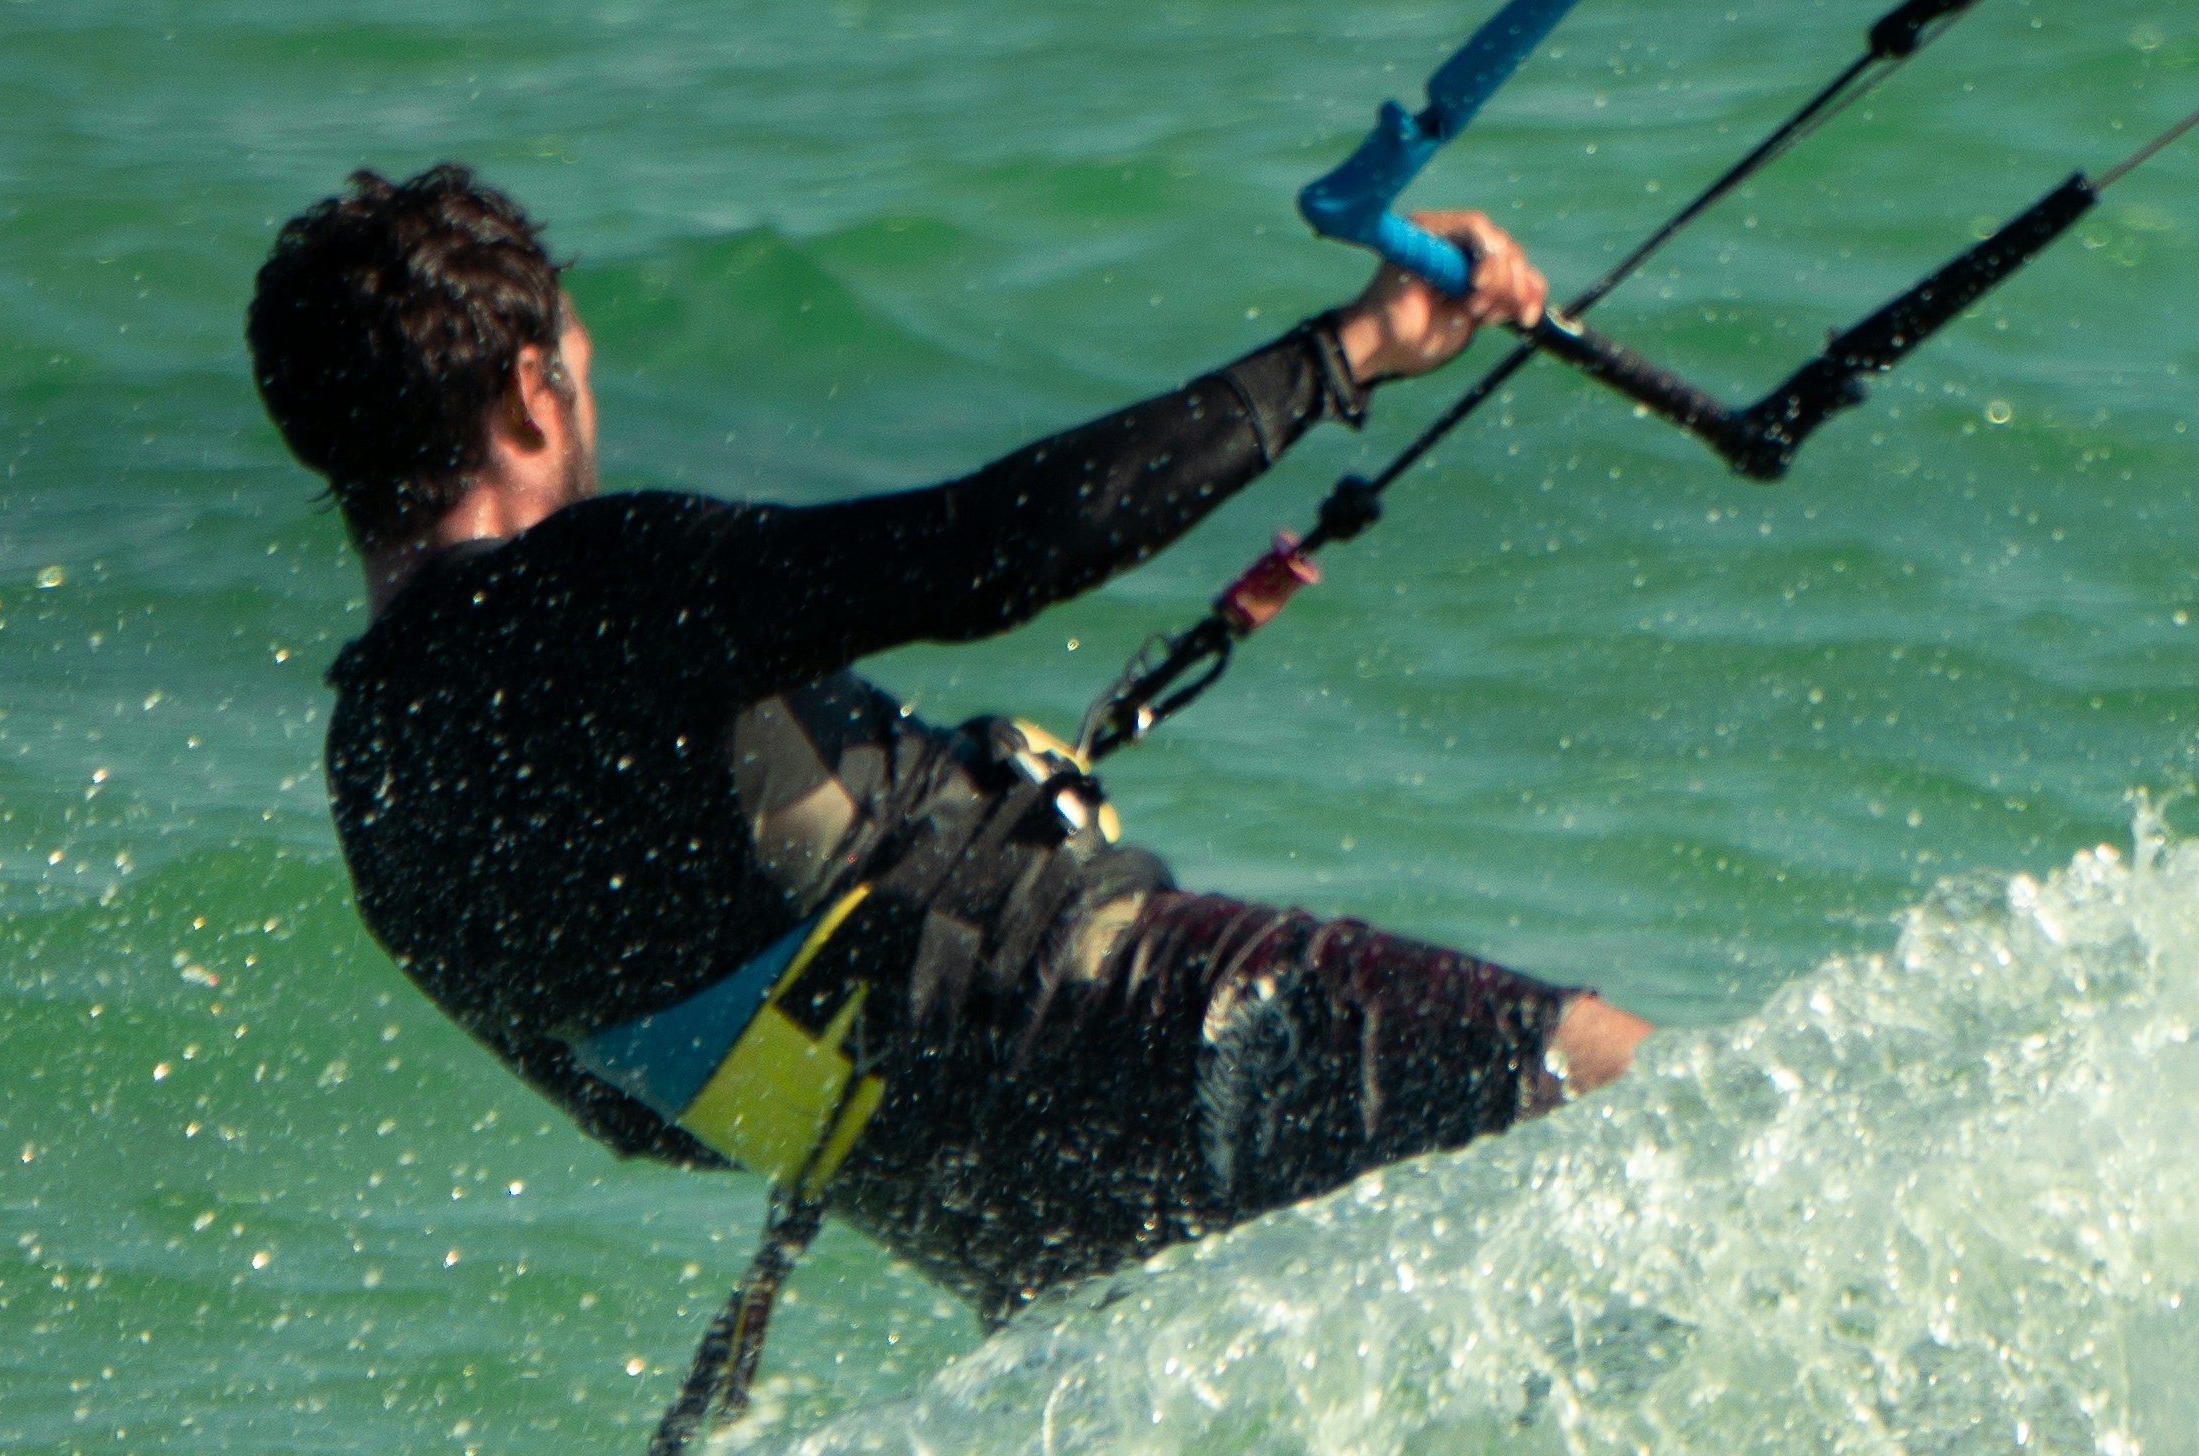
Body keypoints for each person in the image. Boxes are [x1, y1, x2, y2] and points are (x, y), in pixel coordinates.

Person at [247, 163, 1647, 1314]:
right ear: (528, 394)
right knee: (1648, 1096)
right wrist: (1341, 356)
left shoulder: (377, 782)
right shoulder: (594, 584)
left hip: (992, 1216)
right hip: (1127, 1019)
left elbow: (636, 1114)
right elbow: (997, 548)